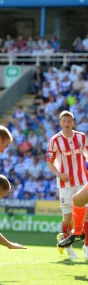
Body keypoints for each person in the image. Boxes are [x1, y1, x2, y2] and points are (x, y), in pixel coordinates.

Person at [46, 110, 88, 259]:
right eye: (63, 121)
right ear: (60, 123)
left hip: (82, 180)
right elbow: (49, 162)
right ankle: (67, 244)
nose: (66, 123)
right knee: (68, 218)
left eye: (69, 120)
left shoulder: (81, 137)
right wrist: (59, 174)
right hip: (65, 183)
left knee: (86, 215)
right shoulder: (55, 140)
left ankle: (86, 246)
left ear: (73, 122)